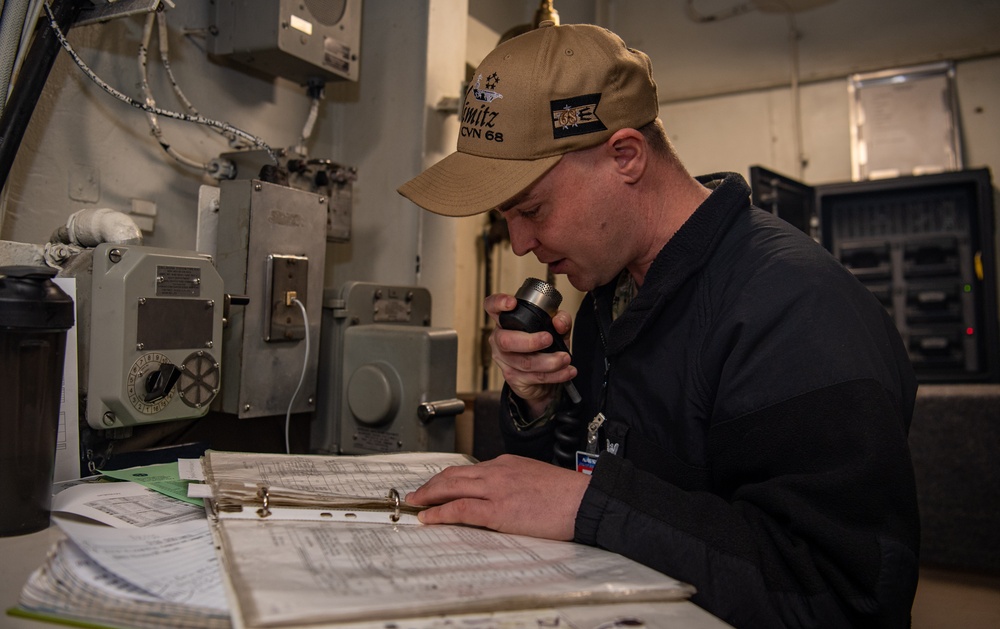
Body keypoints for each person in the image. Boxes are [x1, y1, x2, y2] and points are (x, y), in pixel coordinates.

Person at [397, 22, 919, 629]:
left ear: (626, 156)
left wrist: (593, 505)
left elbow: (841, 593)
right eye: (506, 217)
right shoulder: (609, 299)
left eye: (533, 210)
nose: (518, 244)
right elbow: (575, 485)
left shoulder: (797, 309)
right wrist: (537, 408)